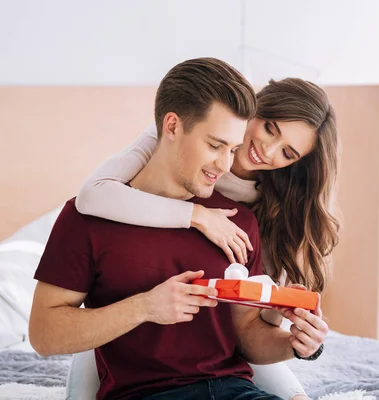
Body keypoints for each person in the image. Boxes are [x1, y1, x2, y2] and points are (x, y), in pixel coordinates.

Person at [29, 57, 328, 400]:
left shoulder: (241, 222)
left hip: (236, 390)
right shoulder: (90, 214)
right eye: (215, 146)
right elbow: (44, 334)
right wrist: (145, 307)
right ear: (171, 127)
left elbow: (246, 335)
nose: (227, 164)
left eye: (232, 149)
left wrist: (297, 342)